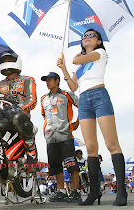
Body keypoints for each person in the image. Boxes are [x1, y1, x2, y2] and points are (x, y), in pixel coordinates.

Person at [57, 28, 127, 206]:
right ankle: (94, 191)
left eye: (91, 36)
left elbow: (76, 59)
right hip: (84, 100)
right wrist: (64, 68)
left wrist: (70, 61)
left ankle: (122, 192)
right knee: (90, 147)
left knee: (112, 144)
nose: (87, 38)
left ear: (98, 41)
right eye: (84, 36)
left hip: (99, 95)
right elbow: (73, 87)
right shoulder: (79, 66)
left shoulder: (100, 53)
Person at [40, 72, 81, 202]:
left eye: (50, 80)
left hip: (65, 135)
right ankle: (61, 191)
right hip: (50, 137)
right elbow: (44, 115)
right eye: (46, 80)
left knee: (72, 164)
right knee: (56, 165)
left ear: (57, 80)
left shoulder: (66, 95)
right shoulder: (43, 99)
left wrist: (77, 122)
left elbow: (82, 105)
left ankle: (75, 192)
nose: (47, 82)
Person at [0, 50, 37, 161]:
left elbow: (32, 100)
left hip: (21, 115)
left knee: (18, 117)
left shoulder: (27, 80)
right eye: (4, 61)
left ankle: (30, 146)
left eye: (9, 60)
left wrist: (20, 109)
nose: (6, 63)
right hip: (4, 115)